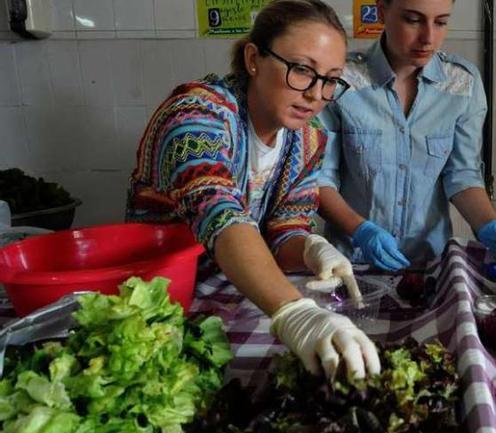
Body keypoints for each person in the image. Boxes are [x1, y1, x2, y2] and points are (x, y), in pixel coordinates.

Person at [126, 0, 379, 380]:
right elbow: (219, 212)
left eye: (330, 80)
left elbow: (284, 230)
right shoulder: (196, 115)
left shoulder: (306, 141)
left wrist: (310, 248)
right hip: (159, 307)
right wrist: (294, 311)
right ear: (253, 59)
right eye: (302, 71)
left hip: (236, 303)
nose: (315, 94)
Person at [317, 0, 496, 272]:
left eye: (441, 22)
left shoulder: (461, 85)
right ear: (382, 11)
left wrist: (491, 228)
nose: (428, 38)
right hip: (351, 263)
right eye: (413, 20)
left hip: (429, 265)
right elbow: (318, 178)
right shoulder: (341, 82)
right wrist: (361, 230)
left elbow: (462, 174)